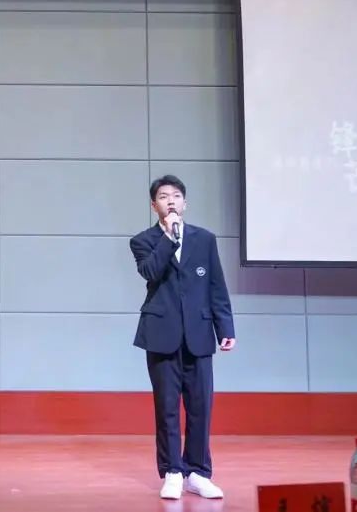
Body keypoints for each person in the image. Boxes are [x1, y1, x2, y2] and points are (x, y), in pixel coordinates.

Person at [128, 175, 236, 500]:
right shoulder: (143, 241)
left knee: (201, 407)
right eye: (163, 197)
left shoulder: (205, 240)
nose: (171, 201)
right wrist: (169, 238)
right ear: (154, 205)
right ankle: (172, 472)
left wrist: (225, 328)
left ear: (185, 203)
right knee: (167, 408)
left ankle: (198, 473)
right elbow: (150, 272)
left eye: (176, 196)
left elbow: (216, 286)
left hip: (199, 334)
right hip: (161, 334)